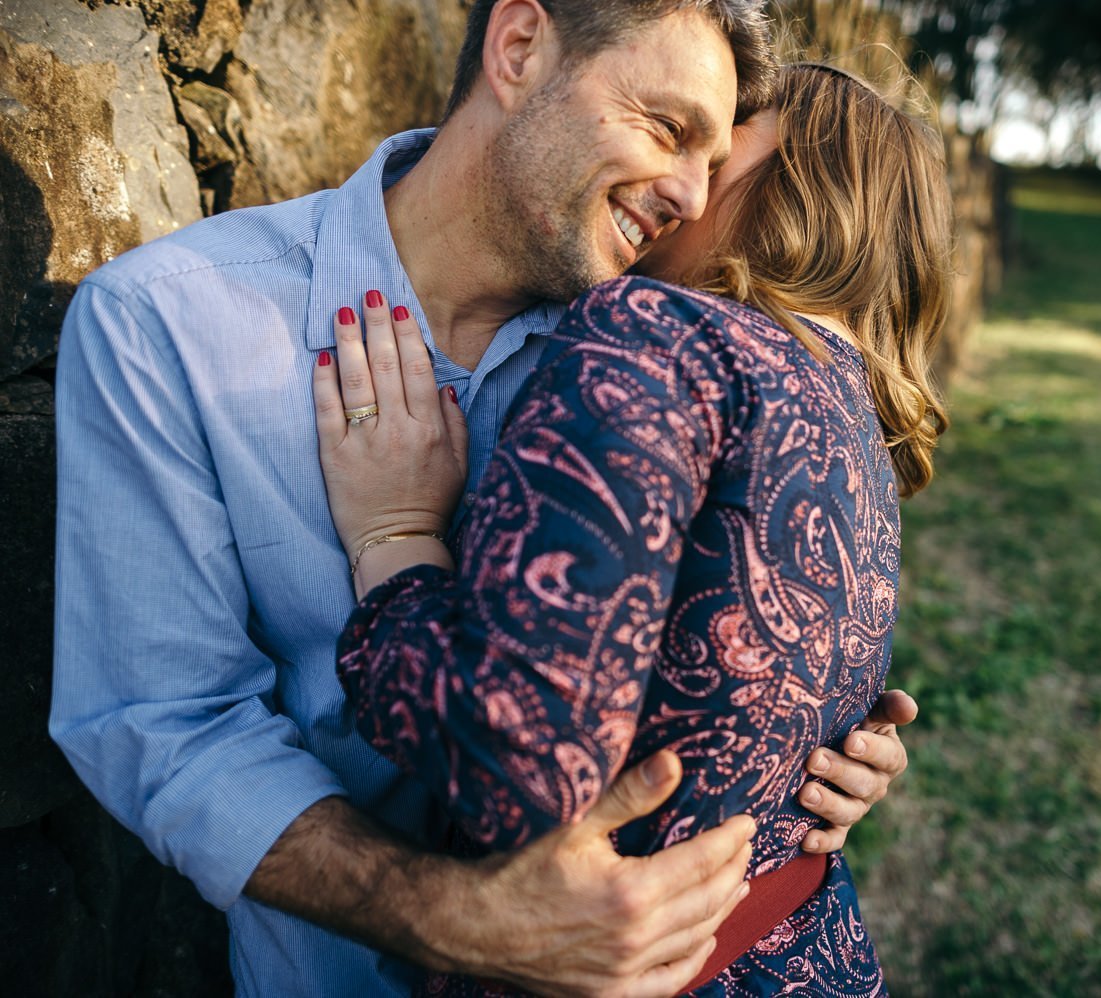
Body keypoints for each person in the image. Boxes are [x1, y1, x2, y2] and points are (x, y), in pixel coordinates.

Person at [49, 3, 916, 995]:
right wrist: (463, 920)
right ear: (518, 48)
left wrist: (810, 753)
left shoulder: (655, 360)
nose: (687, 193)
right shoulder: (171, 323)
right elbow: (162, 721)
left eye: (714, 166)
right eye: (668, 129)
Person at [313, 61, 952, 995]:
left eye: (725, 146)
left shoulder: (662, 331)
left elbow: (519, 759)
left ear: (802, 181)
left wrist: (398, 536)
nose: (687, 184)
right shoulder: (854, 419)